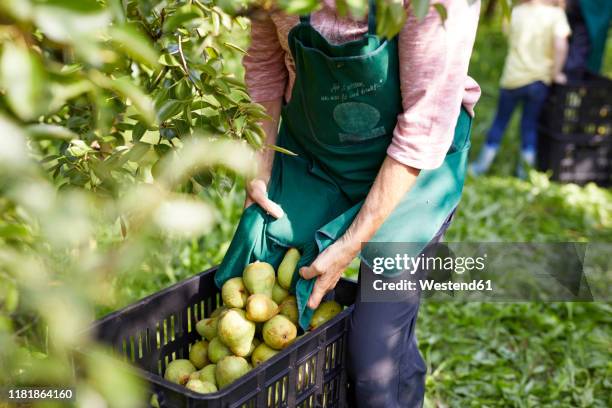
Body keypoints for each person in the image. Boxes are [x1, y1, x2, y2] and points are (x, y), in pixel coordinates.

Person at [216, 0, 480, 406]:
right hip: (318, 152)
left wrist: (350, 245)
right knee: (259, 266)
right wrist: (261, 167)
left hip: (416, 170)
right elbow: (266, 66)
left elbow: (422, 130)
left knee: (374, 361)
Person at [470, 0, 570, 178]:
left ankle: (480, 167)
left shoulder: (516, 12)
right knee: (529, 126)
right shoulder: (556, 15)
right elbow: (560, 45)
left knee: (499, 123)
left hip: (512, 79)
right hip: (539, 81)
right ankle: (524, 172)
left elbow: (506, 31)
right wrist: (556, 74)